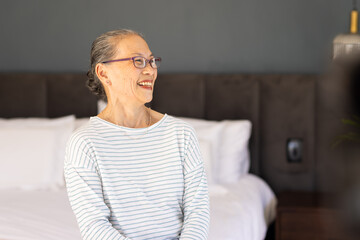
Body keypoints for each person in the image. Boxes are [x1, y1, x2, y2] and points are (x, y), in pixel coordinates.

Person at [64, 29, 210, 240]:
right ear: (104, 73)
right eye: (138, 61)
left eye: (152, 61)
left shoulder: (182, 134)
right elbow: (94, 227)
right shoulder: (85, 143)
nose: (150, 70)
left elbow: (198, 212)